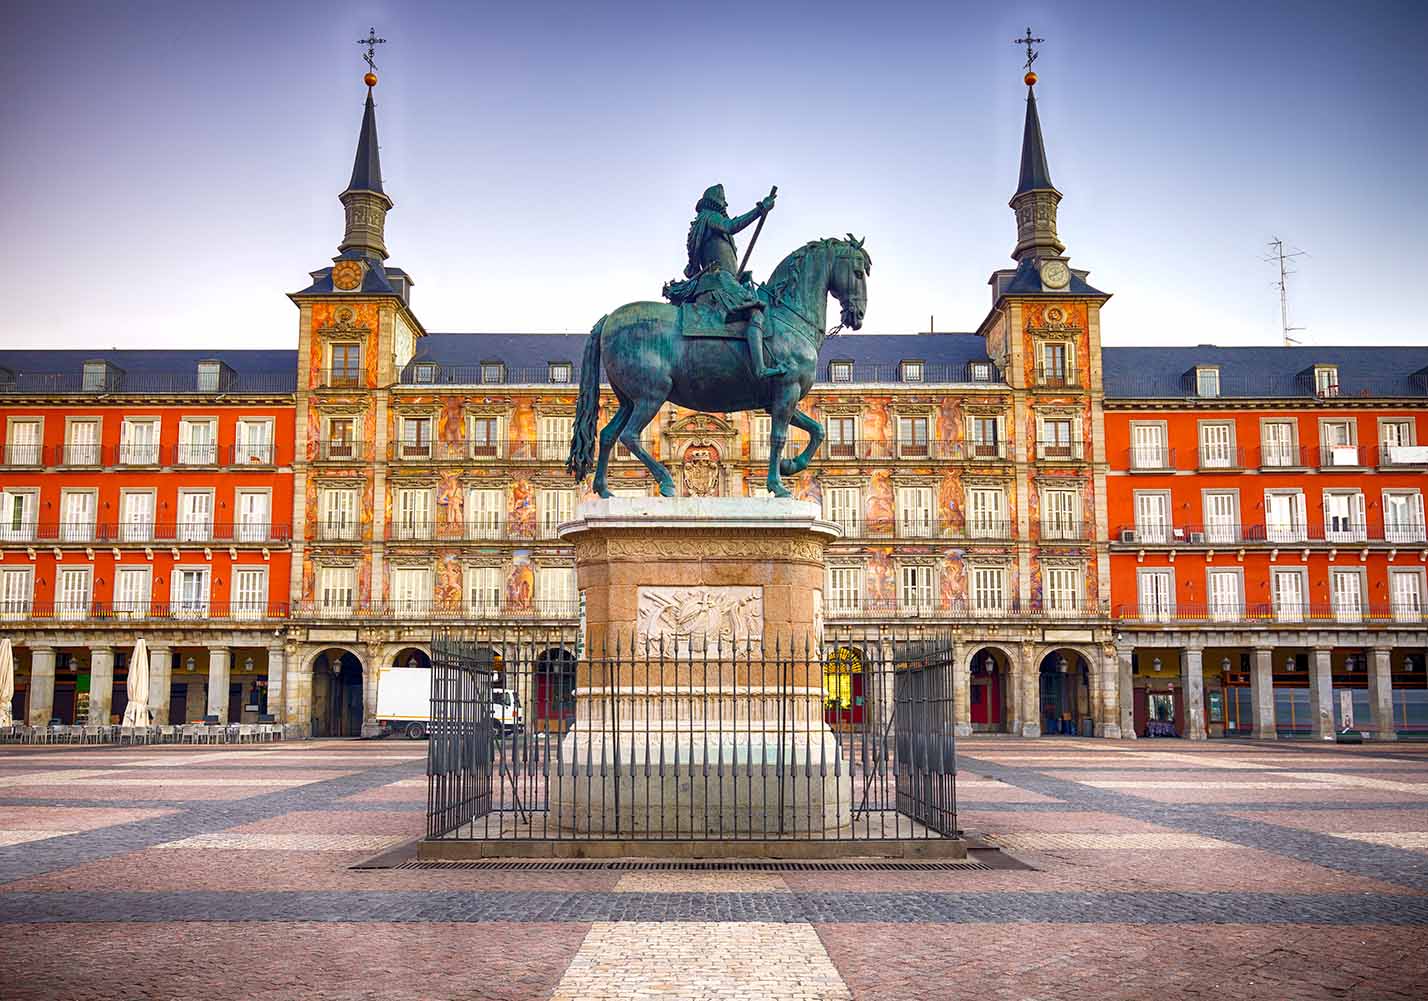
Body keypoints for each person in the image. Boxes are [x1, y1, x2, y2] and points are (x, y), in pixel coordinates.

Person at [672, 183, 785, 379]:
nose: (725, 205)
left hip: (723, 279)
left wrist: (738, 277)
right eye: (723, 201)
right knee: (756, 313)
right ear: (717, 202)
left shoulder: (704, 222)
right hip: (719, 282)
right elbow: (732, 226)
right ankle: (760, 368)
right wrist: (760, 210)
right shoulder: (710, 218)